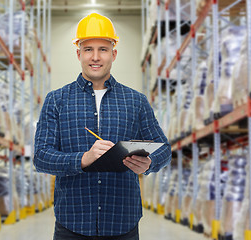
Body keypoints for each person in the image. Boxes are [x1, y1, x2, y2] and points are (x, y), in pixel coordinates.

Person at [34, 12, 171, 240]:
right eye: (88, 49)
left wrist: (149, 163)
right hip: (72, 223)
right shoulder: (56, 100)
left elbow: (164, 148)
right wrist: (82, 159)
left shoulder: (136, 101)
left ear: (113, 54)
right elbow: (41, 156)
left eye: (103, 49)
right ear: (78, 53)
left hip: (122, 223)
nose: (95, 57)